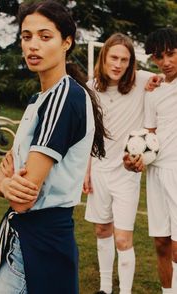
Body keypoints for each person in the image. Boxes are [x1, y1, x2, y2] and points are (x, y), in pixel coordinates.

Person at [0, 1, 107, 294]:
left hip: (37, 249)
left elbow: (21, 199)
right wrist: (4, 182)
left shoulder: (63, 98)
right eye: (27, 37)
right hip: (26, 242)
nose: (33, 45)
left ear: (66, 42)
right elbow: (7, 174)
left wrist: (3, 182)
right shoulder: (39, 100)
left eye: (44, 36)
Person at [83, 33, 161, 294]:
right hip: (99, 170)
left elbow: (164, 78)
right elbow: (88, 134)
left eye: (124, 60)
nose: (118, 64)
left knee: (123, 237)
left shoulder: (141, 81)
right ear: (104, 57)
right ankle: (105, 288)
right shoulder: (90, 87)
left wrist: (157, 80)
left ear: (131, 63)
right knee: (102, 230)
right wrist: (87, 170)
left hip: (126, 173)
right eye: (114, 58)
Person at [125, 27, 177, 294]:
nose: (165, 62)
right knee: (161, 244)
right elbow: (150, 135)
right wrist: (136, 158)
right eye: (159, 57)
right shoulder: (153, 92)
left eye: (171, 54)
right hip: (156, 174)